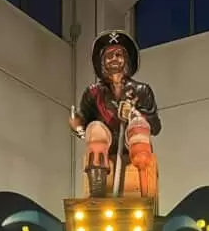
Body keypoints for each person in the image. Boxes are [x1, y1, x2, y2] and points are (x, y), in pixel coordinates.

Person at [69, 30, 161, 198]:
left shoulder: (142, 90)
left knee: (138, 125)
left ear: (126, 59)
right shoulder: (93, 93)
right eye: (108, 56)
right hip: (105, 145)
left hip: (132, 145)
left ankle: (144, 191)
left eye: (118, 55)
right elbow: (84, 125)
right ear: (102, 62)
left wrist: (133, 114)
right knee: (95, 129)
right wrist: (78, 126)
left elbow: (155, 126)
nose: (113, 59)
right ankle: (97, 191)